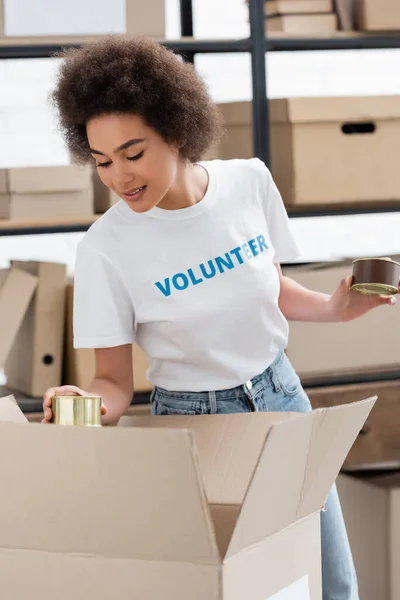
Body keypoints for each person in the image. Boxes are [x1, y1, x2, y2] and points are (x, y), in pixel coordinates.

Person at [42, 35, 394, 600]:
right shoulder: (105, 248)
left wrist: (334, 308)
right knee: (228, 589)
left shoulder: (249, 182)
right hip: (193, 425)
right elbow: (112, 382)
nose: (119, 178)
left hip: (282, 397)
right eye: (102, 161)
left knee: (330, 582)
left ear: (177, 131)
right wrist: (76, 406)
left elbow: (267, 286)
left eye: (133, 154)